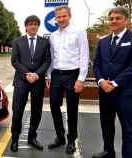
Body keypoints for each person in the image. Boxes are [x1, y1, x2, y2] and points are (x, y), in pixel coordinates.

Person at [46, 5, 89, 154]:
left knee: (72, 109)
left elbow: (84, 56)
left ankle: (71, 140)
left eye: (64, 16)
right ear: (55, 19)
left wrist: (81, 79)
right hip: (57, 75)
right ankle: (60, 137)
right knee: (53, 105)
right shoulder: (53, 36)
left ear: (69, 16)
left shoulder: (79, 32)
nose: (61, 19)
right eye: (58, 17)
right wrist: (49, 75)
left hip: (73, 75)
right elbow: (52, 58)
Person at [92, 7, 132, 158]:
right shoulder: (103, 41)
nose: (114, 21)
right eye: (112, 18)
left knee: (128, 129)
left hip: (125, 93)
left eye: (118, 18)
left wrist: (114, 83)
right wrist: (101, 81)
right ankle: (108, 152)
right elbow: (96, 64)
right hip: (105, 92)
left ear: (126, 20)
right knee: (107, 125)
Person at [10, 15, 51, 152]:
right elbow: (15, 61)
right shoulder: (17, 41)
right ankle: (15, 139)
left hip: (37, 82)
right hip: (22, 80)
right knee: (17, 111)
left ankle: (32, 137)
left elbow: (47, 61)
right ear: (26, 26)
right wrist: (27, 74)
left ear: (38, 26)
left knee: (36, 112)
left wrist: (37, 74)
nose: (33, 26)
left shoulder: (45, 42)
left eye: (35, 24)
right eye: (30, 24)